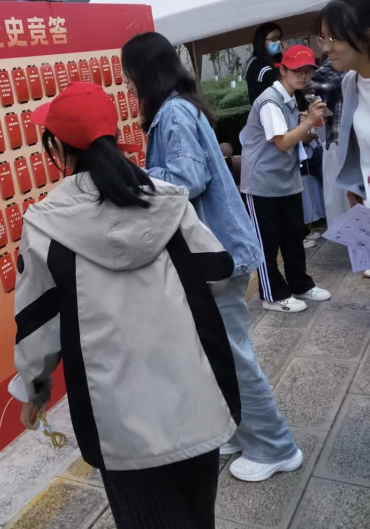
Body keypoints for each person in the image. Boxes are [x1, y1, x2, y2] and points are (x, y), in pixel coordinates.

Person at [8, 82, 241, 529]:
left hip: (117, 423)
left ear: (57, 148)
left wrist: (33, 391)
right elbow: (216, 274)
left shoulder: (46, 225)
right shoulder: (166, 199)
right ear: (114, 136)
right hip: (196, 398)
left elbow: (38, 323)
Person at [121, 31, 302, 483]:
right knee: (220, 352)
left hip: (216, 251)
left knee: (233, 355)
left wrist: (135, 176)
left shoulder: (172, 113)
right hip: (217, 249)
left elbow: (187, 179)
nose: (126, 83)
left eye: (127, 74)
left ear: (144, 72)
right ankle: (242, 431)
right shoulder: (181, 106)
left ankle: (275, 446)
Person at [241, 45, 332, 311]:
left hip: (285, 180)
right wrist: (309, 122)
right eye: (297, 70)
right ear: (283, 70)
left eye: (308, 71)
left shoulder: (291, 98)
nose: (303, 76)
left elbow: (295, 138)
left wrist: (311, 125)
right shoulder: (270, 101)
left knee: (293, 236)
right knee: (268, 243)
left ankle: (300, 284)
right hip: (262, 184)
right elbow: (282, 143)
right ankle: (273, 295)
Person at [317, 0, 370, 278]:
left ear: (365, 35)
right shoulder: (350, 83)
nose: (325, 48)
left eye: (333, 38)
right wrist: (355, 184)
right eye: (323, 38)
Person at [303, 57, 349, 227]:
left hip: (344, 144)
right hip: (340, 144)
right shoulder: (341, 66)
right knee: (346, 209)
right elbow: (310, 88)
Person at [246, 23, 286, 104]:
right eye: (273, 39)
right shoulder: (258, 65)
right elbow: (285, 85)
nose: (278, 42)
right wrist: (287, 58)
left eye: (279, 38)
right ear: (262, 41)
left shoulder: (276, 60)